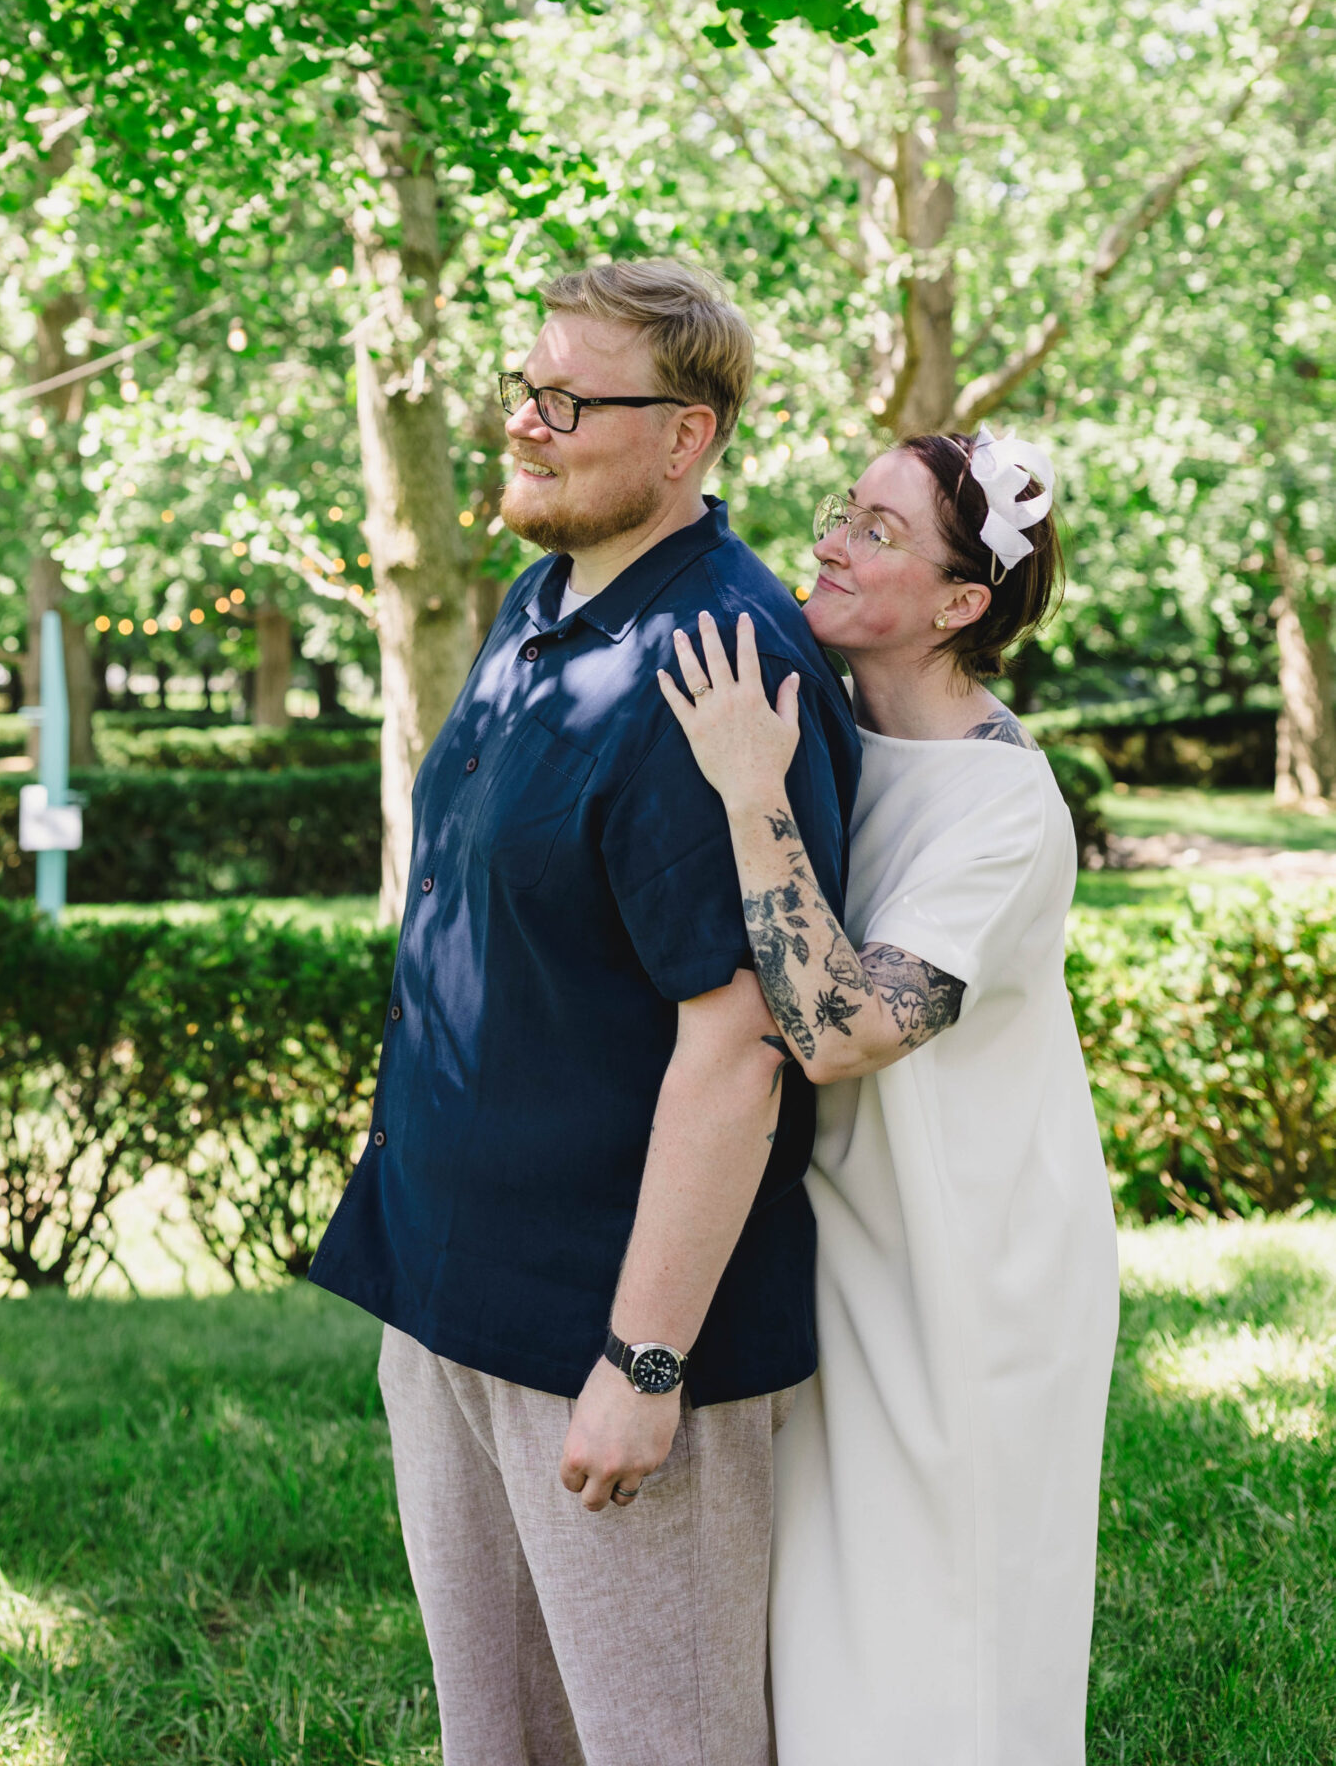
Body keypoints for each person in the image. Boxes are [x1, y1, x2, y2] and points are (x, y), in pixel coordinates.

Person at [310, 259, 860, 1766]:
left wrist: (644, 1365)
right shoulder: (536, 599)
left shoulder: (716, 667)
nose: (528, 426)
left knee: (653, 1746)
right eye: (524, 391)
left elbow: (742, 1042)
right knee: (497, 1741)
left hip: (612, 1335)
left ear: (685, 439)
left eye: (572, 403)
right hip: (445, 1294)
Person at [659, 426, 1119, 1766]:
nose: (829, 543)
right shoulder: (839, 726)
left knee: (940, 1643)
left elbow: (841, 1029)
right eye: (838, 511)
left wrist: (748, 790)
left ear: (959, 604)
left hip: (969, 1272)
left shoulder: (1002, 804)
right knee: (821, 1628)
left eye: (876, 531)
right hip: (840, 1246)